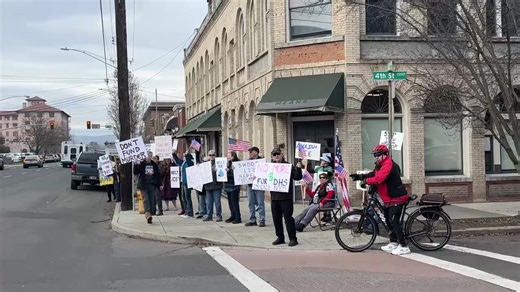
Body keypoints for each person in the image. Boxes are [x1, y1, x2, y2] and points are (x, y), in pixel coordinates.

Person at [350, 144, 410, 255]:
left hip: (397, 197)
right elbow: (374, 173)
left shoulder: (388, 164)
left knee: (393, 221)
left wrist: (366, 181)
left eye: (378, 155)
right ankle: (394, 242)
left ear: (384, 154)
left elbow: (379, 178)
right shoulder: (381, 164)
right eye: (375, 155)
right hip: (389, 198)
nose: (376, 157)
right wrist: (360, 177)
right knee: (387, 219)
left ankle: (404, 246)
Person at [270, 148, 302, 247]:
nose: (276, 156)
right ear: (272, 156)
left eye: (278, 154)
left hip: (286, 197)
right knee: (276, 219)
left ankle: (293, 238)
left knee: (288, 219)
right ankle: (280, 237)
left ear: (282, 155)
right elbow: (265, 178)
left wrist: (299, 168)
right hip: (274, 197)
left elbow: (297, 177)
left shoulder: (288, 166)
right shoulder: (269, 167)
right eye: (274, 155)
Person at [134, 153, 161, 224]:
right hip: (143, 184)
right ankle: (147, 213)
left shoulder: (154, 165)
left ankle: (151, 213)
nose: (149, 158)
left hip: (152, 184)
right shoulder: (142, 164)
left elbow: (158, 175)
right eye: (147, 156)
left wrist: (159, 184)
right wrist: (136, 164)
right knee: (146, 199)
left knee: (152, 199)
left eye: (150, 156)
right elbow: (135, 172)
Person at [245, 146, 266, 227]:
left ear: (256, 152)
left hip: (259, 185)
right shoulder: (247, 162)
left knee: (260, 203)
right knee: (251, 203)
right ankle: (252, 220)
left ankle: (262, 220)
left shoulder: (262, 161)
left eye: (251, 152)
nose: (249, 153)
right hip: (250, 185)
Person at [203, 150, 223, 222]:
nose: (211, 156)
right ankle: (209, 215)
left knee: (217, 201)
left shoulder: (218, 163)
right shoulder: (205, 164)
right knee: (209, 202)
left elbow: (222, 172)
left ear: (215, 155)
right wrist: (203, 161)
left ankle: (219, 215)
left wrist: (219, 171)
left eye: (213, 155)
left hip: (216, 185)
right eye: (210, 155)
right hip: (208, 185)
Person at [174, 151, 195, 218]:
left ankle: (190, 212)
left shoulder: (189, 163)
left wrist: (187, 154)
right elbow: (177, 161)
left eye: (185, 156)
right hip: (183, 182)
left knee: (187, 197)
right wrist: (174, 154)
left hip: (187, 182)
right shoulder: (184, 163)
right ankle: (186, 211)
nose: (183, 157)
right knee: (183, 197)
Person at [224, 151, 241, 224]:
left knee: (234, 202)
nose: (228, 157)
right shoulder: (228, 163)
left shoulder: (237, 163)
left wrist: (229, 171)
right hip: (228, 185)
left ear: (233, 156)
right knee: (230, 202)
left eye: (229, 156)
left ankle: (238, 217)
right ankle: (232, 215)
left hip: (234, 186)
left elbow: (237, 175)